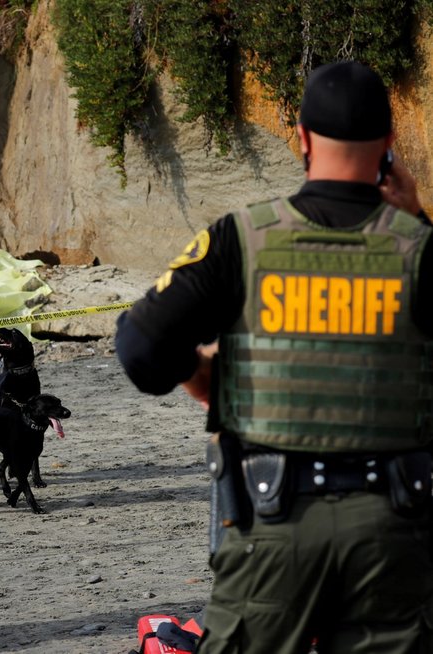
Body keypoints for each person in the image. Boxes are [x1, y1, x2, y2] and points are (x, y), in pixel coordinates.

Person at [115, 61, 432, 653]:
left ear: (303, 139)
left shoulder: (240, 239)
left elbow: (138, 344)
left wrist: (200, 375)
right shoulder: (418, 250)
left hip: (271, 524)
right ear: (390, 145)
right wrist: (416, 219)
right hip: (392, 531)